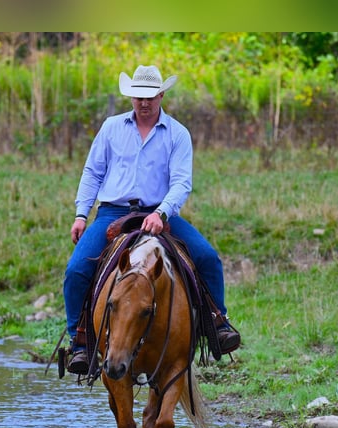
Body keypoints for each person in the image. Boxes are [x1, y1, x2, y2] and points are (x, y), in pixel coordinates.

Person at [63, 64, 240, 375]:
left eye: (150, 97)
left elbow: (181, 182)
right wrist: (81, 214)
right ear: (131, 96)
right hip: (113, 212)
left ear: (161, 95)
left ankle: (217, 322)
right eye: (137, 97)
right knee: (76, 270)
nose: (143, 103)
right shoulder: (111, 128)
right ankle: (80, 342)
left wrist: (161, 213)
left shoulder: (177, 133)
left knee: (208, 258)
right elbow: (92, 172)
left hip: (160, 212)